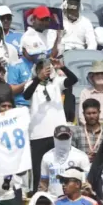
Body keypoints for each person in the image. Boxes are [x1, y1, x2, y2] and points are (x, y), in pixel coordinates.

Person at [24, 58, 78, 189]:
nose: (45, 71)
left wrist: (62, 67)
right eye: (42, 68)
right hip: (37, 135)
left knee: (61, 166)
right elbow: (26, 95)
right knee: (38, 170)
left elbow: (73, 80)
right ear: (37, 71)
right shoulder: (31, 83)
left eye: (48, 68)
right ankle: (39, 197)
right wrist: (38, 79)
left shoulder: (57, 83)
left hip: (58, 133)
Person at [39, 124, 91, 199]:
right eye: (60, 138)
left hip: (74, 200)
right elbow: (43, 182)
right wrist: (41, 198)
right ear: (55, 138)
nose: (63, 141)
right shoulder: (47, 157)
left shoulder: (81, 156)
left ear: (70, 138)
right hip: (53, 200)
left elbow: (85, 182)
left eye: (66, 138)